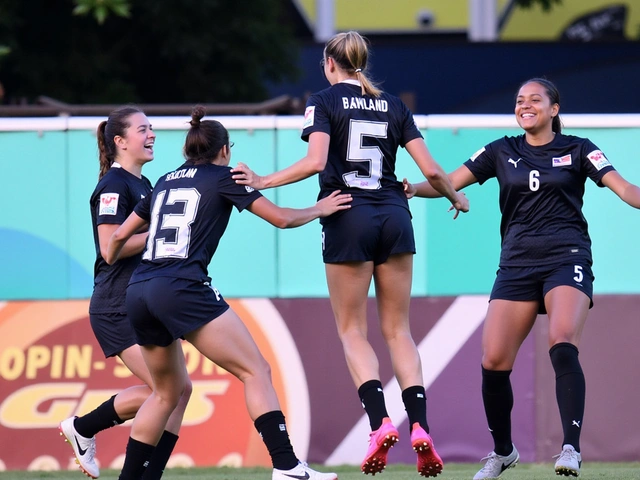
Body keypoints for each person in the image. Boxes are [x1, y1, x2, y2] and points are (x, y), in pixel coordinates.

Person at [231, 31, 468, 477]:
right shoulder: (395, 105)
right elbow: (432, 170)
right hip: (395, 215)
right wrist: (455, 197)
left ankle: (379, 422)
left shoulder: (323, 100)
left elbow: (316, 162)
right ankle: (419, 425)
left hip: (347, 216)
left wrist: (262, 181)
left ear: (329, 63)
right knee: (399, 330)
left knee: (352, 330)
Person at [404, 77, 640, 479]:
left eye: (535, 100)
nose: (525, 105)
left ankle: (570, 448)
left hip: (567, 258)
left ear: (554, 109)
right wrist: (409, 188)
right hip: (516, 264)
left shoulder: (579, 149)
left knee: (562, 341)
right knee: (494, 362)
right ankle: (503, 452)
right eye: (519, 101)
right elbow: (449, 182)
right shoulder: (500, 150)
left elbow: (626, 189)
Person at [105, 105, 350, 480]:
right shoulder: (223, 177)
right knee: (256, 371)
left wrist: (111, 251)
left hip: (138, 291)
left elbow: (119, 236)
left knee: (165, 393)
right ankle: (286, 466)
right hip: (181, 287)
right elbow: (281, 219)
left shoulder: (166, 180)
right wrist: (320, 208)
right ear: (224, 151)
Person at [59, 105, 191, 479]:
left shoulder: (143, 185)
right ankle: (83, 428)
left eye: (152, 129)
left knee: (179, 390)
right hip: (115, 305)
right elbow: (108, 247)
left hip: (140, 303)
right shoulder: (114, 185)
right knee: (167, 389)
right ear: (119, 141)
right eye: (143, 130)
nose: (151, 135)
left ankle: (143, 471)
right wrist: (161, 233)